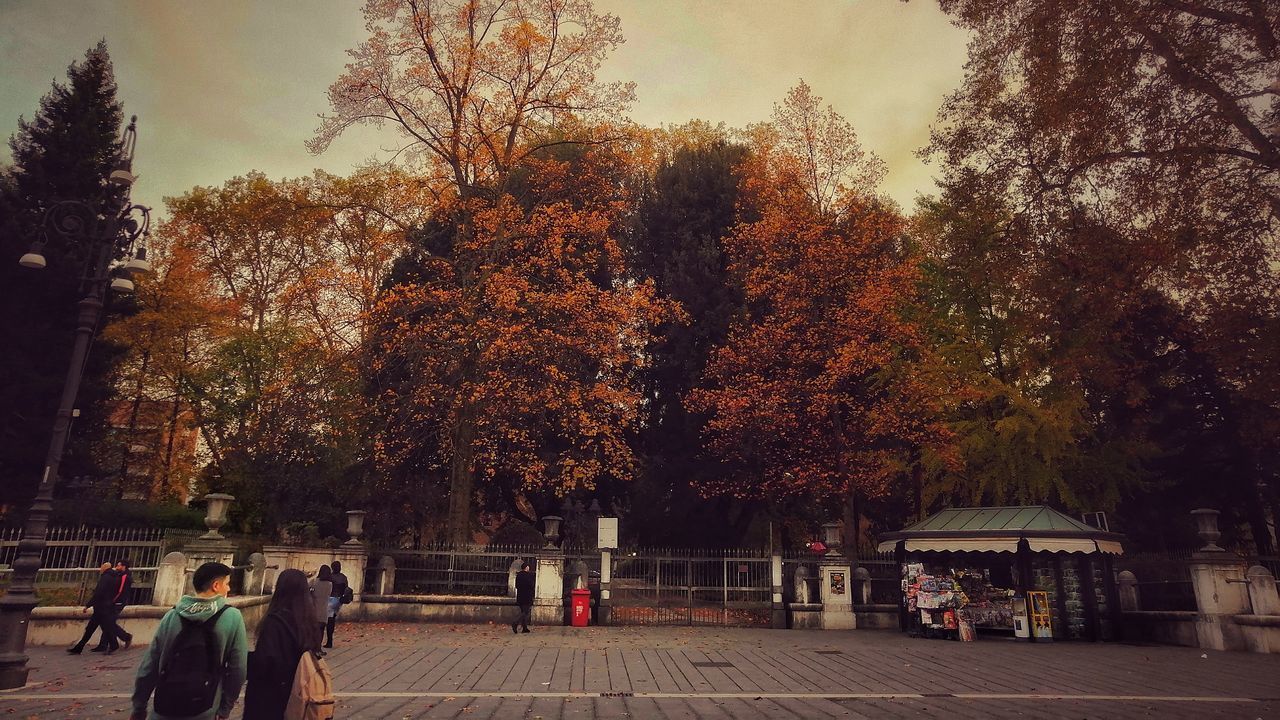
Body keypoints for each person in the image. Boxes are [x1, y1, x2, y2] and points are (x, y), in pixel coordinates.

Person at [130, 561, 248, 720]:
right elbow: (238, 669)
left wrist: (139, 707)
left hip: (165, 705)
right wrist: (225, 709)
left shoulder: (172, 615)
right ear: (216, 586)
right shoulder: (232, 617)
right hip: (206, 705)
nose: (229, 588)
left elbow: (149, 666)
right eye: (227, 584)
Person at [242, 569, 317, 720]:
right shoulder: (309, 623)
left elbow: (264, 662)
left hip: (270, 697)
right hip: (299, 693)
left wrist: (243, 660)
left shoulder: (274, 622)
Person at [67, 562, 115, 654]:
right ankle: (79, 648)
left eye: (101, 567)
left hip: (101, 608)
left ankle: (114, 645)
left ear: (104, 568)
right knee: (97, 628)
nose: (100, 569)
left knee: (97, 629)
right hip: (105, 607)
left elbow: (98, 593)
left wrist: (88, 605)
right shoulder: (113, 577)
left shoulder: (105, 578)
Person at [94, 557, 135, 652]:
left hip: (118, 602)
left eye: (118, 565)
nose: (116, 566)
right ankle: (103, 644)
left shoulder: (124, 577)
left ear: (123, 566)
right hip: (115, 602)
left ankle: (126, 637)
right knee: (107, 622)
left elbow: (120, 591)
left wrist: (113, 601)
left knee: (109, 622)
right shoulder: (120, 575)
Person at [310, 565, 333, 656]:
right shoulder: (329, 584)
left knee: (313, 630)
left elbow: (308, 589)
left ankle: (312, 648)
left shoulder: (314, 581)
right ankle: (318, 648)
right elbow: (329, 594)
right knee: (321, 630)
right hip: (324, 609)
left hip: (314, 609)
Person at [325, 561, 349, 649]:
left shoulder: (329, 577)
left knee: (328, 620)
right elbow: (346, 589)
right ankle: (330, 640)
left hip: (330, 599)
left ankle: (329, 641)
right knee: (332, 619)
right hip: (338, 600)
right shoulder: (343, 577)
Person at [512, 562, 534, 634]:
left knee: (523, 611)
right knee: (525, 612)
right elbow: (531, 585)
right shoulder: (529, 575)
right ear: (526, 567)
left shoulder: (518, 575)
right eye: (528, 567)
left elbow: (516, 585)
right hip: (527, 596)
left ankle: (525, 628)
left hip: (520, 596)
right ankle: (515, 622)